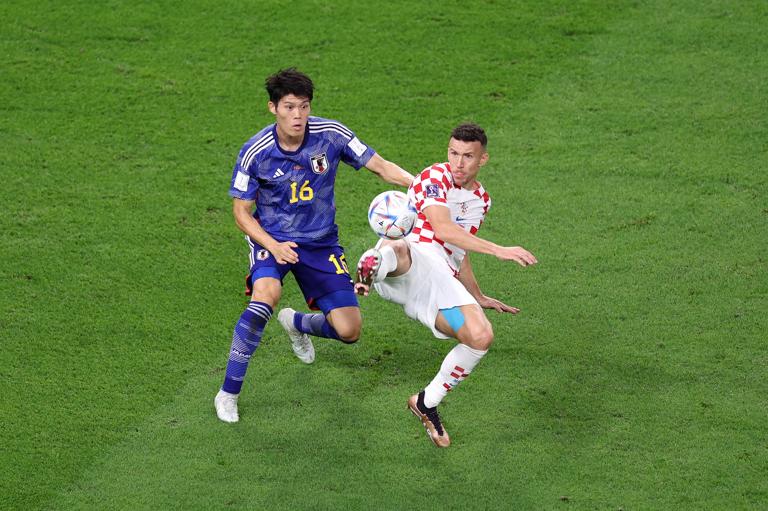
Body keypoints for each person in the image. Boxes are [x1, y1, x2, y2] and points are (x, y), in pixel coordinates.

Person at [214, 68, 413, 423]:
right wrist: (273, 247)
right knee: (265, 297)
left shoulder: (331, 135)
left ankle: (298, 324)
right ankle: (228, 393)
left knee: (349, 331)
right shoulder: (255, 152)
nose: (298, 116)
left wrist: (420, 185)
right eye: (289, 107)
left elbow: (379, 166)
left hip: (321, 244)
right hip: (272, 239)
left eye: (303, 107)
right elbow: (242, 214)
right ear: (272, 107)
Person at [353, 123, 537, 447]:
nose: (458, 162)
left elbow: (458, 249)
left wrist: (477, 295)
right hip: (413, 257)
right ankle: (371, 269)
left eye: (468, 156)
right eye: (453, 152)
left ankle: (426, 402)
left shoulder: (481, 200)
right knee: (400, 248)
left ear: (483, 159)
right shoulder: (433, 177)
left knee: (480, 336)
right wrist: (500, 250)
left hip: (436, 285)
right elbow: (443, 229)